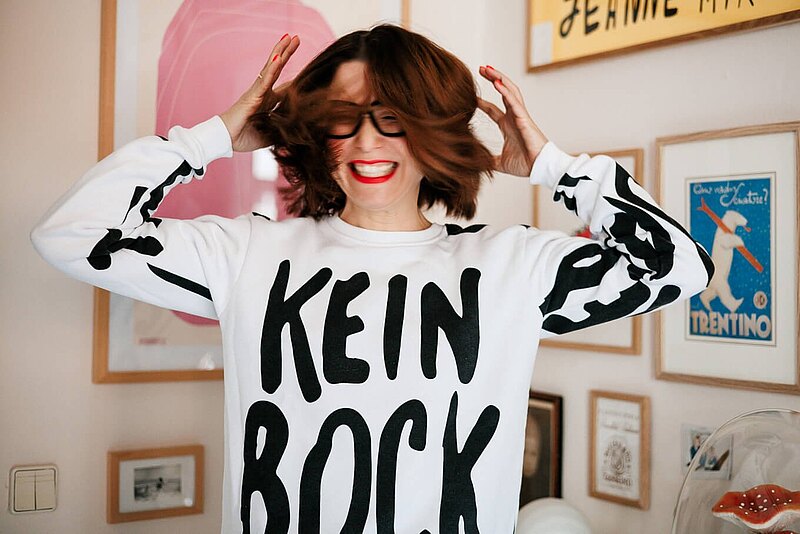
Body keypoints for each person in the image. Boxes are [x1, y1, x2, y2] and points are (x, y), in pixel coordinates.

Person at [31, 25, 713, 533]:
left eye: (393, 119)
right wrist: (210, 139)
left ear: (431, 130)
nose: (366, 141)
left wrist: (554, 167)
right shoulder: (246, 255)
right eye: (342, 118)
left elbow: (678, 266)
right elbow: (72, 233)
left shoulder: (511, 267)